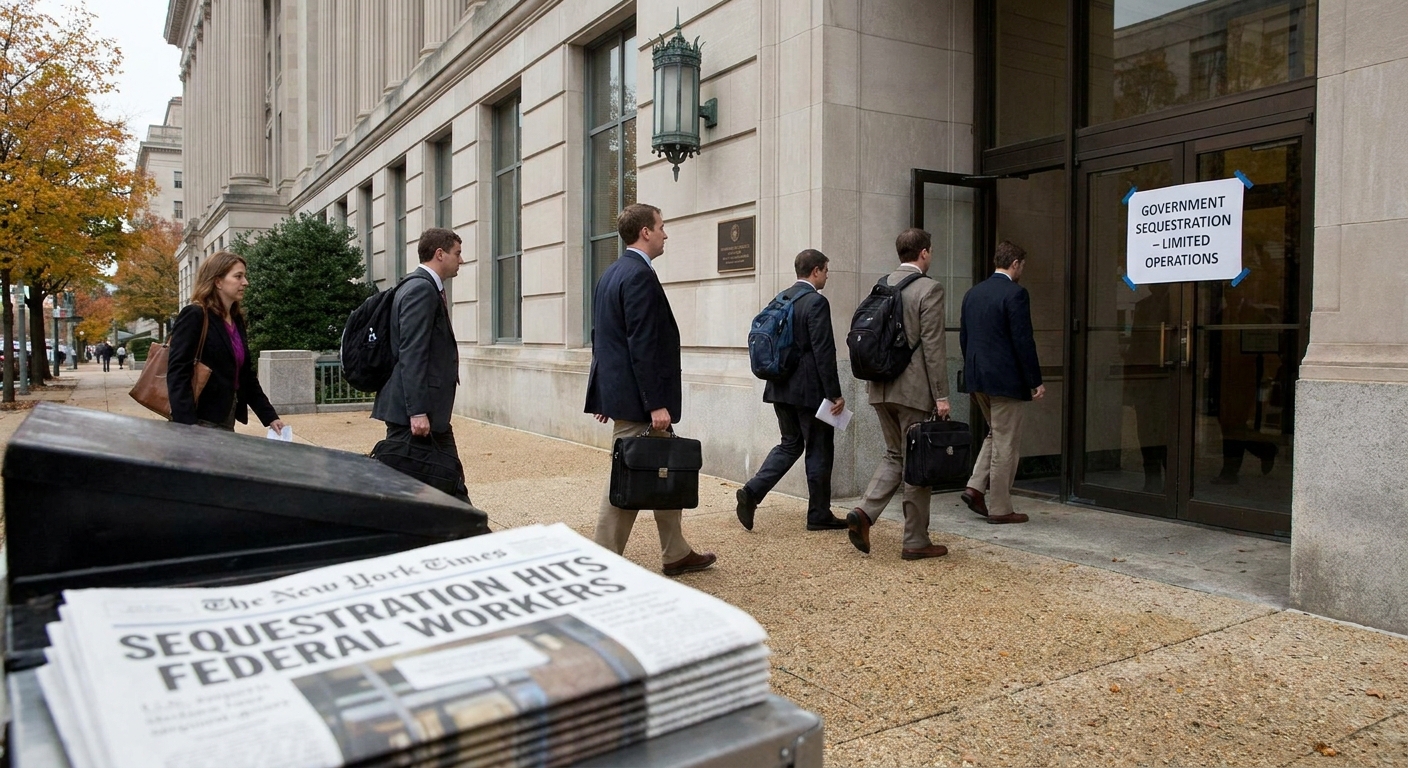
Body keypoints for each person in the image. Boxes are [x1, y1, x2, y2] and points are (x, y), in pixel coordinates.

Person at [585, 203, 716, 577]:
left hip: (626, 395)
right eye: (661, 227)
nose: (665, 233)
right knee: (629, 479)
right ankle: (602, 560)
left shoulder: (611, 273)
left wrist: (605, 393)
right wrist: (655, 404)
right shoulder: (639, 275)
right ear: (645, 231)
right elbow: (640, 344)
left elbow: (603, 340)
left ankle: (676, 552)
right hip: (643, 401)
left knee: (663, 468)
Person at [845, 228, 952, 561]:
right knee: (918, 462)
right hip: (913, 390)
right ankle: (916, 540)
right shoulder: (928, 289)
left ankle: (863, 513)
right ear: (923, 253)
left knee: (896, 454)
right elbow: (933, 346)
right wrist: (942, 395)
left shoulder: (882, 284)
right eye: (930, 251)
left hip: (879, 387)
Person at [735, 249, 848, 532]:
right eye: (825, 270)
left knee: (790, 444)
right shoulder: (816, 302)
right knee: (819, 449)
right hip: (809, 392)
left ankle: (752, 491)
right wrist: (835, 393)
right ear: (816, 271)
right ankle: (819, 513)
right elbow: (824, 351)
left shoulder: (782, 298)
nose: (827, 275)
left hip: (779, 388)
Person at [370, 227, 470, 500]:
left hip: (423, 414)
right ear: (440, 254)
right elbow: (412, 353)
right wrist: (417, 412)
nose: (461, 260)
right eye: (457, 253)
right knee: (443, 488)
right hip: (414, 416)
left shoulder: (417, 286)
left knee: (439, 486)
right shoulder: (420, 290)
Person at [958, 240, 1044, 524]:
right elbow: (1023, 340)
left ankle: (974, 486)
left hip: (977, 377)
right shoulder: (1016, 294)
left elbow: (965, 338)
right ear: (1015, 263)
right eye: (1022, 265)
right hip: (1005, 380)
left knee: (995, 434)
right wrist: (1035, 380)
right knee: (1006, 442)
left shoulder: (973, 293)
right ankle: (1000, 507)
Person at [168, 251, 287, 434]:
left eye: (244, 276)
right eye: (238, 276)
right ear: (218, 281)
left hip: (225, 419)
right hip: (199, 421)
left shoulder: (236, 319)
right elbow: (177, 373)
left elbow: (245, 375)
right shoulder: (195, 315)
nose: (245, 282)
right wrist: (188, 427)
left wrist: (269, 416)